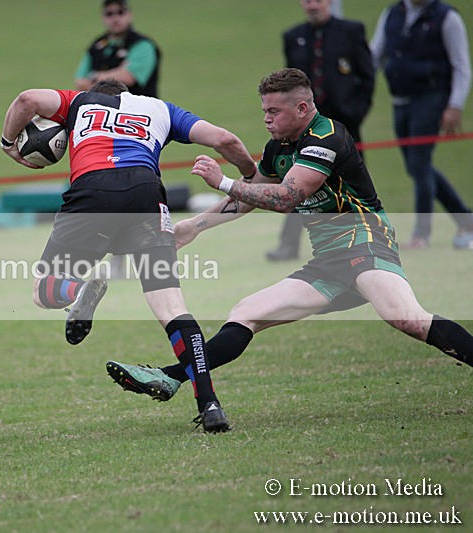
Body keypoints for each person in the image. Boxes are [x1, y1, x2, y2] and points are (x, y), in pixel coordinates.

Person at [105, 68, 473, 425]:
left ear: (302, 108)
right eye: (264, 110)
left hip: (364, 241)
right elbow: (252, 197)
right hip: (328, 260)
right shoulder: (278, 147)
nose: (266, 119)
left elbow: (286, 197)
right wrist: (193, 228)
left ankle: (171, 375)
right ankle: (171, 377)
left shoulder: (327, 137)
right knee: (247, 312)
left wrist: (225, 182)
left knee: (405, 318)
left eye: (273, 111)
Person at [0, 79, 257, 432]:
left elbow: (26, 98)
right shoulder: (162, 109)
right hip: (146, 196)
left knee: (45, 292)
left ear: (97, 93)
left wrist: (7, 144)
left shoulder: (78, 102)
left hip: (93, 191)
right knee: (172, 309)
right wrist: (248, 175)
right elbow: (226, 140)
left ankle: (77, 292)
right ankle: (209, 404)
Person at [267, 0, 375, 261]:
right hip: (304, 126)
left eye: (318, 0)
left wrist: (355, 112)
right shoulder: (293, 36)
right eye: (307, 0)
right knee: (295, 182)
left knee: (351, 182)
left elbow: (367, 75)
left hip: (344, 124)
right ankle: (288, 245)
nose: (312, 5)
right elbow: (288, 84)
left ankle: (369, 237)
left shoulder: (351, 30)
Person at [370, 0, 473, 250]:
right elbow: (375, 54)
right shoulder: (392, 13)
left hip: (431, 98)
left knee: (419, 163)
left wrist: (455, 105)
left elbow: (461, 65)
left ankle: (421, 234)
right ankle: (465, 217)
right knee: (417, 166)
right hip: (399, 100)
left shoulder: (447, 17)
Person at [74, 0, 160, 97]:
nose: (115, 18)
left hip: (138, 108)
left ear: (130, 15)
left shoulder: (142, 45)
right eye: (109, 14)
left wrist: (95, 76)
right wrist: (117, 72)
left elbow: (128, 77)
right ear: (103, 17)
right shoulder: (96, 46)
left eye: (120, 12)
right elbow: (80, 82)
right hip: (103, 108)